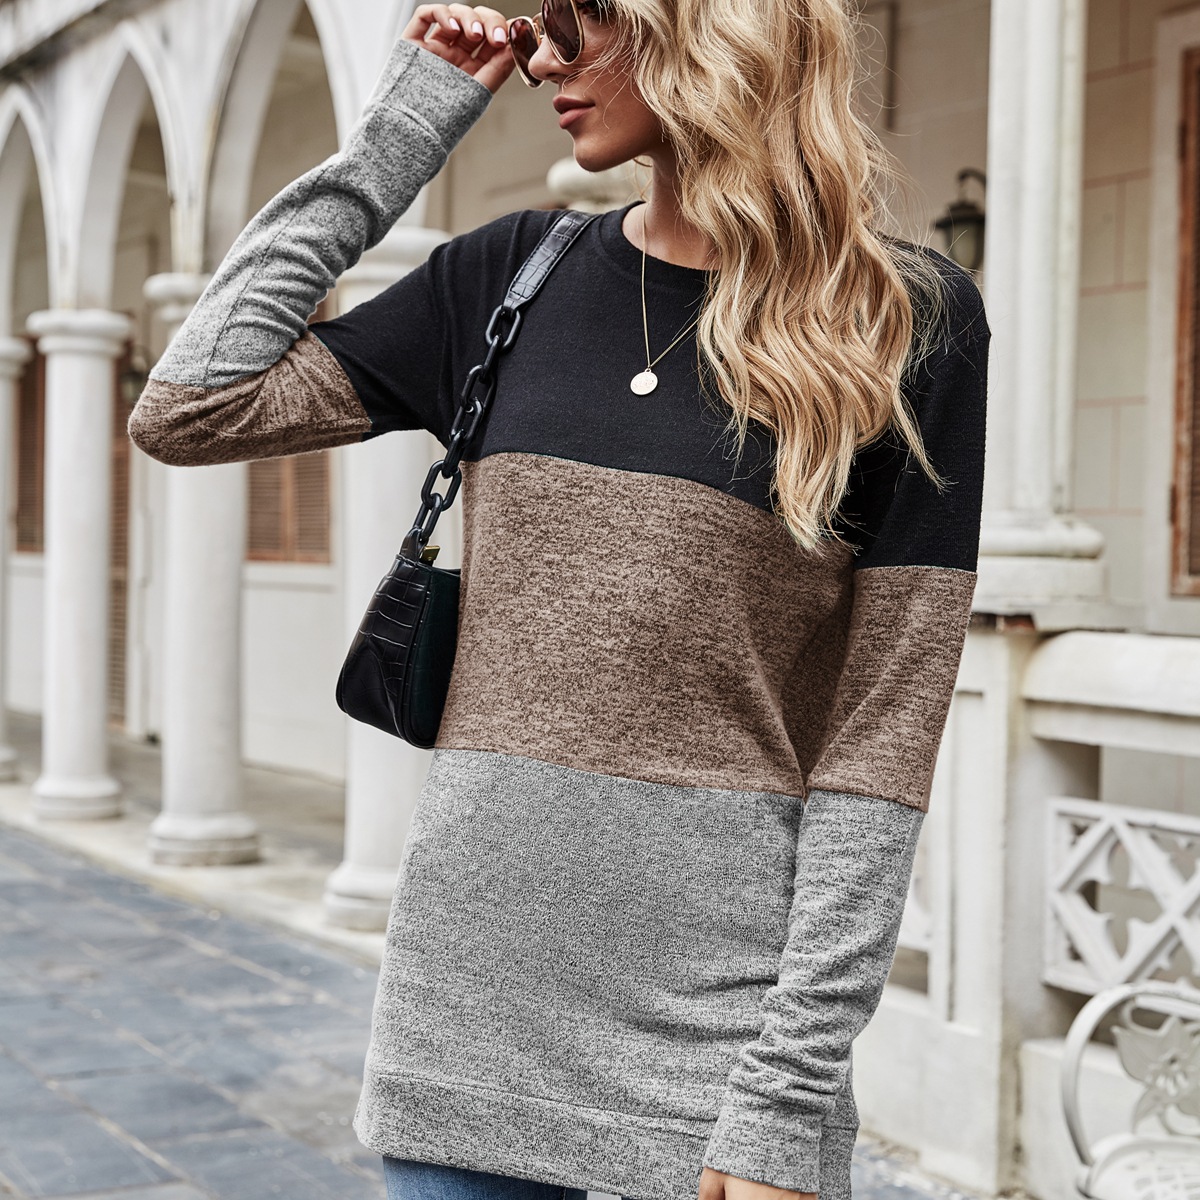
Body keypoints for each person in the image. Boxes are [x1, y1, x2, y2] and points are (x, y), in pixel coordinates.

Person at [127, 0, 989, 1196]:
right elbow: (189, 408)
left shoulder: (904, 319)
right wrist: (403, 131)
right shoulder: (510, 276)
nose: (540, 60)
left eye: (579, 25)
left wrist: (787, 1096)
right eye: (539, 28)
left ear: (701, 30)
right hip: (462, 1017)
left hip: (717, 1051)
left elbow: (881, 742)